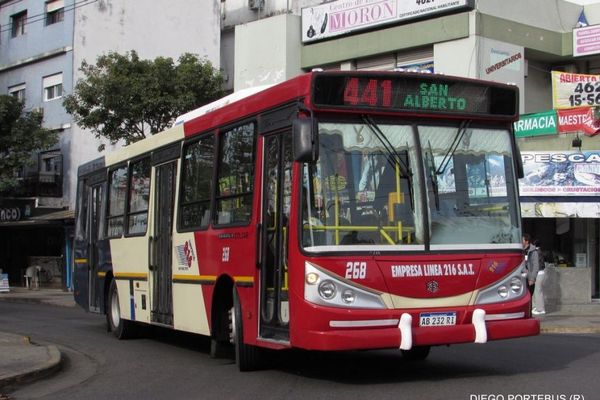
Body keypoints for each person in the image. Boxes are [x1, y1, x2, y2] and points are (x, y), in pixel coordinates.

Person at [522, 233, 540, 313]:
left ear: (526, 241)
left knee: (528, 298)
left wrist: (532, 279)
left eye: (522, 240)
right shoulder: (520, 250)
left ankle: (528, 313)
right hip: (520, 277)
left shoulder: (533, 252)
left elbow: (536, 266)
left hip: (529, 278)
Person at [531, 239, 546, 315]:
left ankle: (540, 309)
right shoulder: (538, 251)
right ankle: (535, 307)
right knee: (536, 291)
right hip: (539, 273)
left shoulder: (537, 252)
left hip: (539, 273)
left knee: (538, 291)